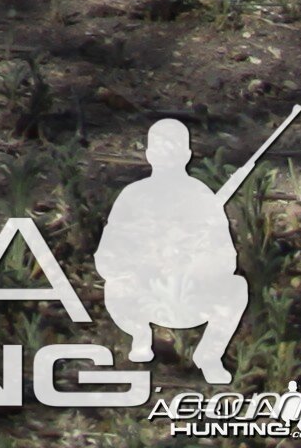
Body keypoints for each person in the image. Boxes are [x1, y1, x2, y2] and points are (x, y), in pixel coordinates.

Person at [94, 115, 252, 382]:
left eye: (173, 147)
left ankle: (210, 354)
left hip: (192, 296)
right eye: (160, 147)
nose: (166, 154)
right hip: (145, 298)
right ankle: (140, 334)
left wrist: (193, 260)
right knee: (115, 285)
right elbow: (108, 256)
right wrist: (147, 258)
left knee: (236, 288)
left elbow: (227, 259)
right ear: (149, 153)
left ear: (187, 154)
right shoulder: (133, 196)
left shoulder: (202, 197)